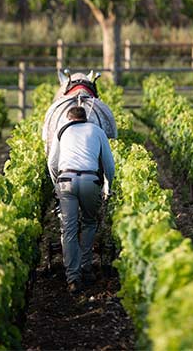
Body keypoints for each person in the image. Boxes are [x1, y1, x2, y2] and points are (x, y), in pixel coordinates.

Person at [46, 106, 116, 293]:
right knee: (89, 222)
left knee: (68, 228)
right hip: (89, 180)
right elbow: (109, 165)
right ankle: (86, 267)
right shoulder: (97, 131)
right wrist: (108, 186)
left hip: (65, 181)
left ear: (69, 119)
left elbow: (52, 163)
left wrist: (56, 185)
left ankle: (73, 277)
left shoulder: (62, 131)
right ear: (86, 119)